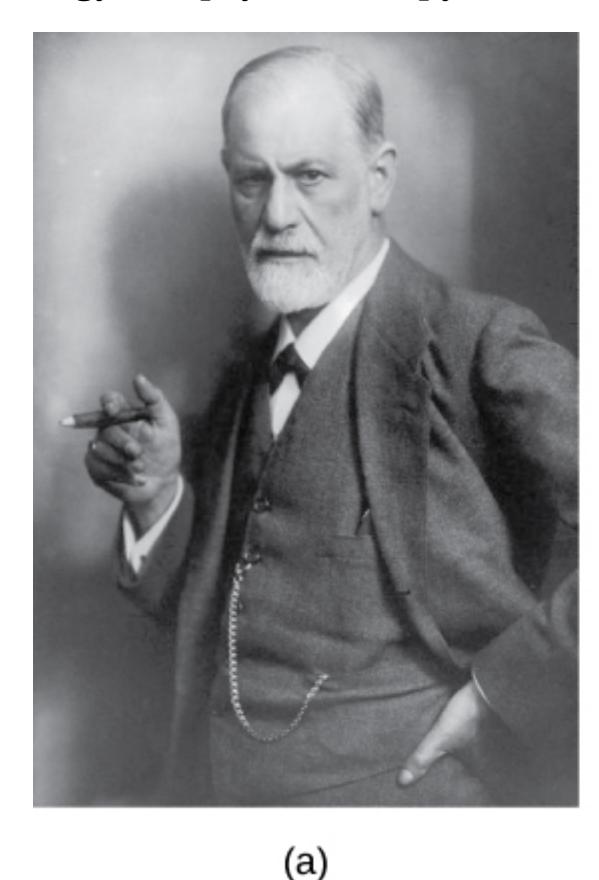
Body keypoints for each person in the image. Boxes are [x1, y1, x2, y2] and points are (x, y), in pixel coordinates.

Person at [84, 46, 577, 806]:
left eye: (310, 176)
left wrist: (500, 694)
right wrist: (155, 498)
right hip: (220, 804)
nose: (277, 215)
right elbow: (223, 609)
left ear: (378, 178)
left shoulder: (479, 342)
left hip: (411, 810)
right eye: (252, 180)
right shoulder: (244, 373)